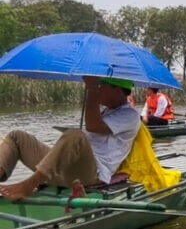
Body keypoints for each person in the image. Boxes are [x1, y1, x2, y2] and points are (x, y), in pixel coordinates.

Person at [0, 77, 141, 201]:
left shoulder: (130, 115)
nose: (99, 89)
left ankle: (28, 185)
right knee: (16, 136)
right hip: (66, 169)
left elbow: (92, 126)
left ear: (116, 90)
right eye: (98, 86)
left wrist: (92, 89)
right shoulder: (108, 112)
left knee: (75, 135)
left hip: (91, 173)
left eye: (102, 86)